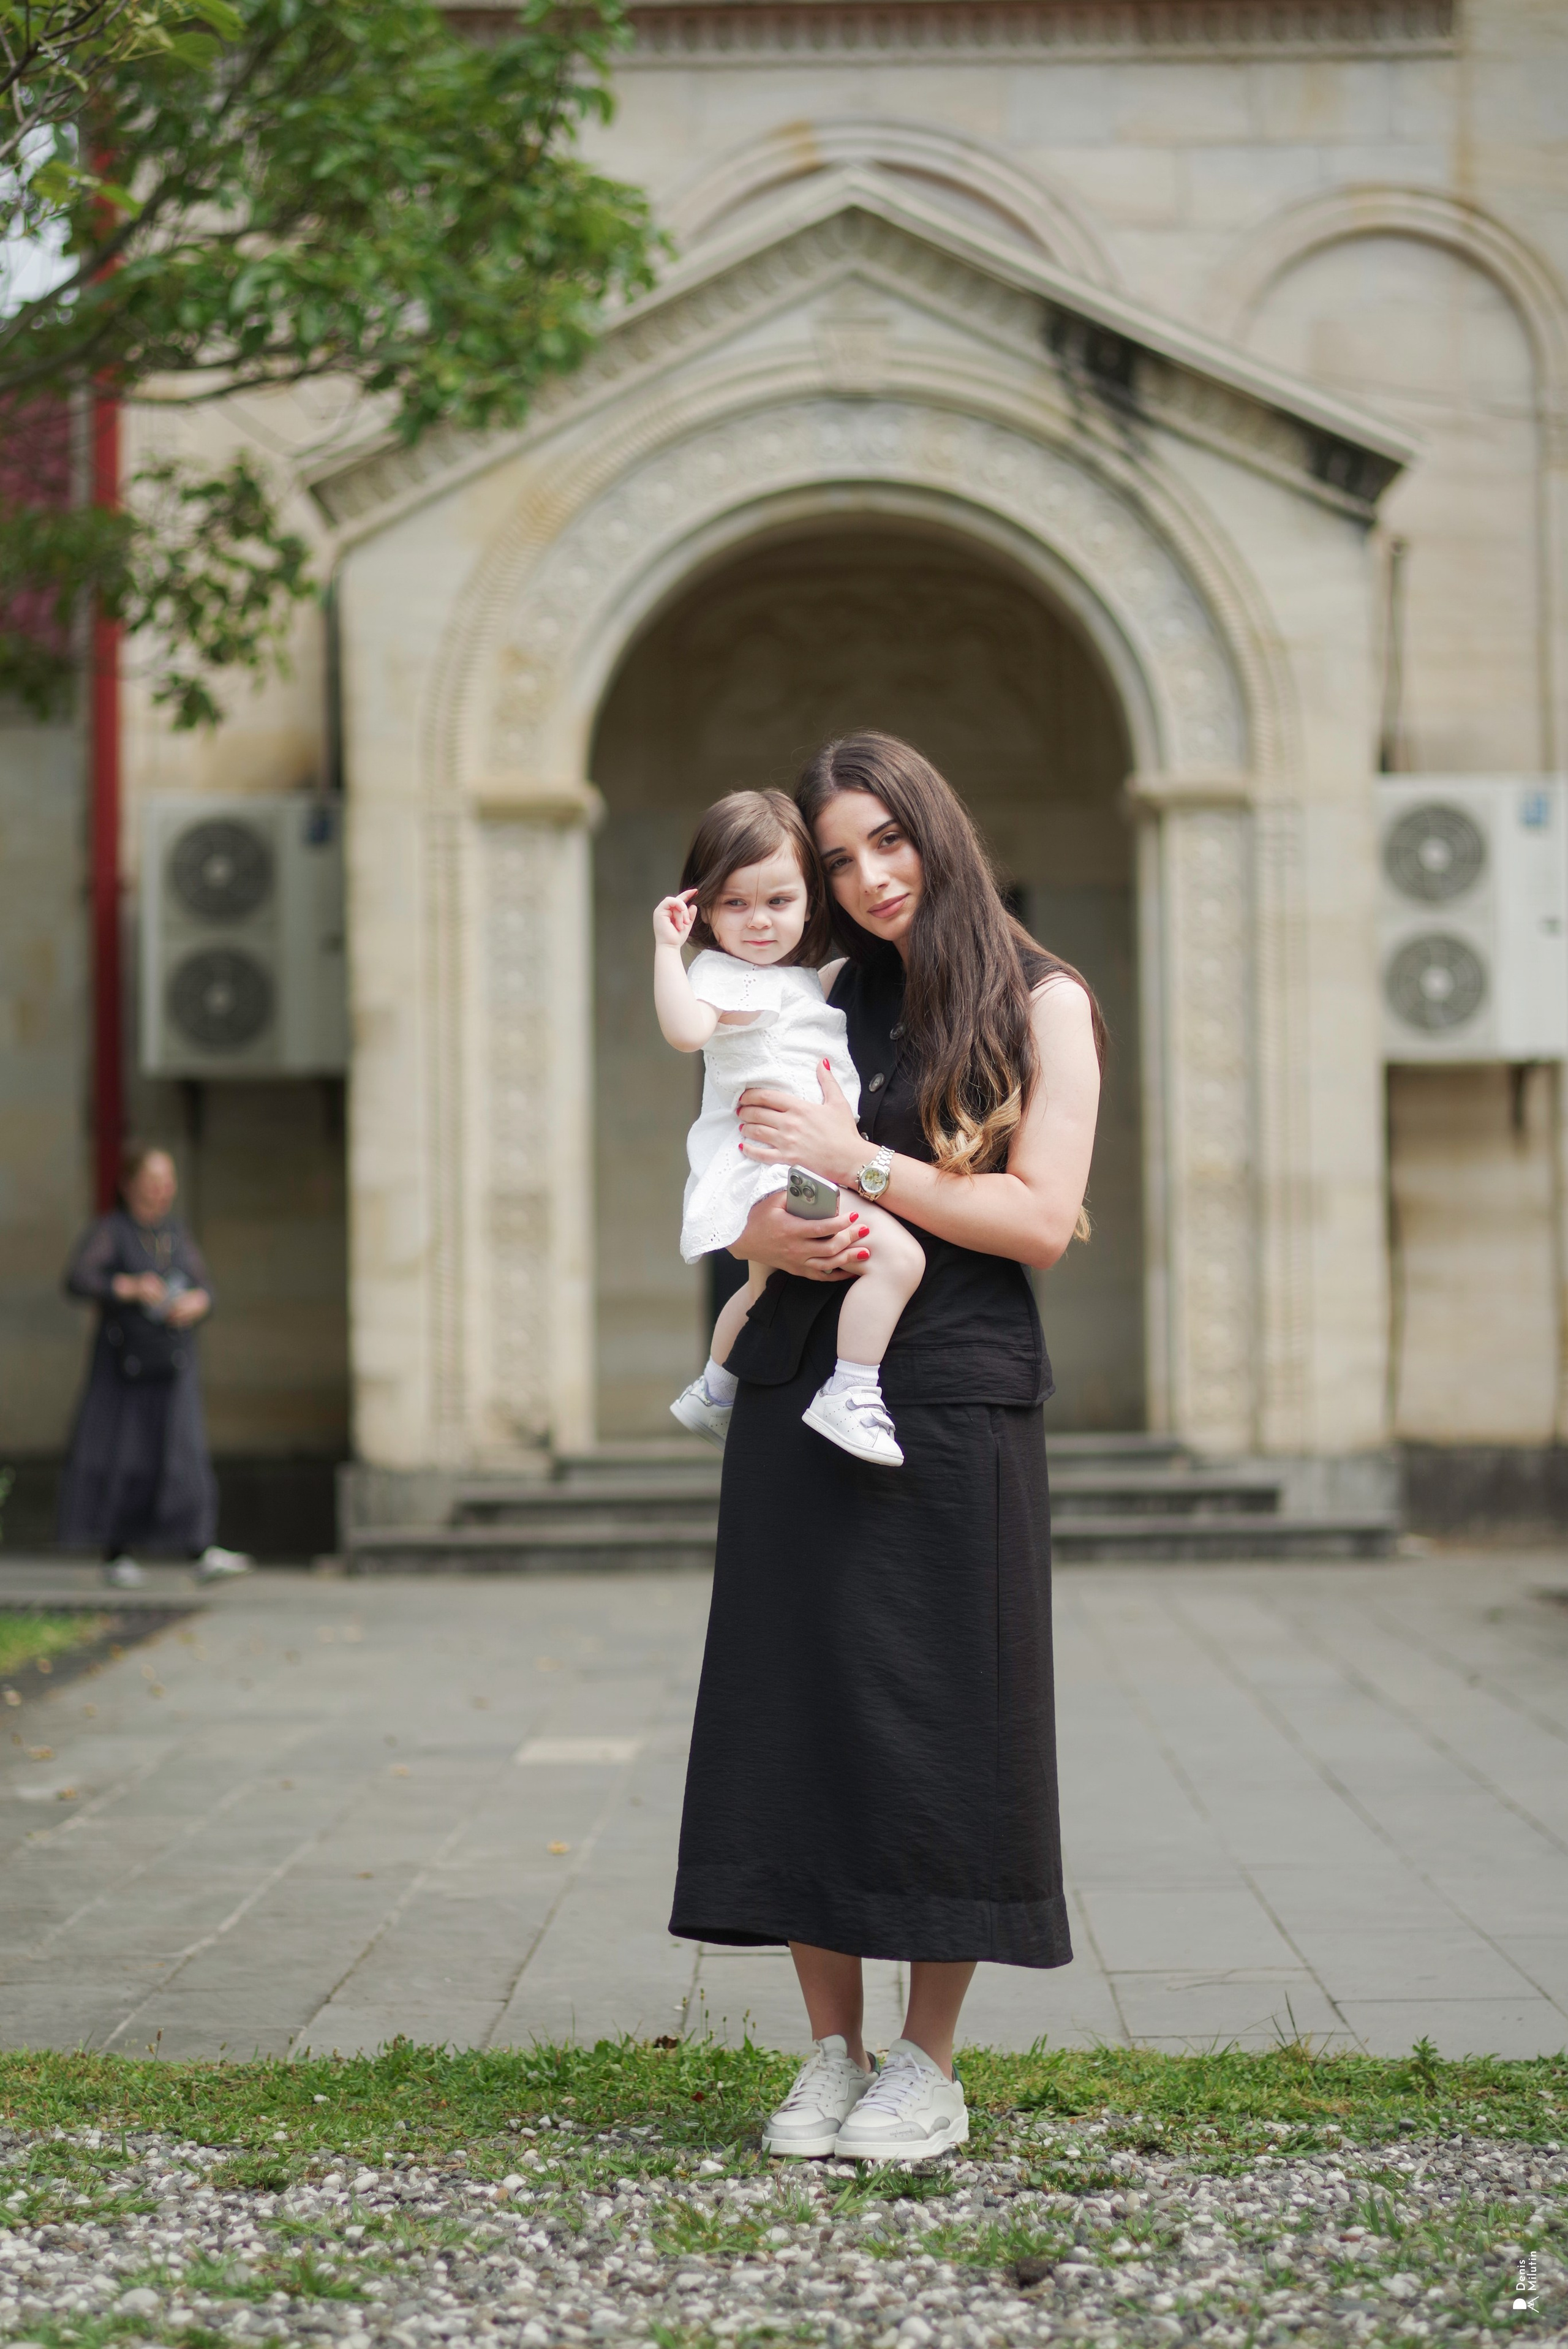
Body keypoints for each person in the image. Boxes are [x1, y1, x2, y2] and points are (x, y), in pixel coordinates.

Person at [669, 732, 1102, 2165]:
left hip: (951, 1394)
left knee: (939, 1713)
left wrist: (859, 1165)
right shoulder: (813, 989)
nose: (863, 877)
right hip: (803, 1367)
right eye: (836, 855)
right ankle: (827, 2054)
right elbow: (740, 1162)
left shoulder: (1044, 1002)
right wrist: (757, 1230)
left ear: (937, 824)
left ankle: (926, 2061)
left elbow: (1037, 1220)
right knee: (793, 1707)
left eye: (883, 841)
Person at [657, 788, 926, 1469]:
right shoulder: (727, 978)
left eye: (778, 901)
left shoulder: (794, 980)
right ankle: (853, 1388)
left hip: (782, 1168)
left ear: (809, 901)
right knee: (899, 1258)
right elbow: (687, 1031)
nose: (757, 922)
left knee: (759, 1286)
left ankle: (714, 1388)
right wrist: (667, 950)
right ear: (705, 909)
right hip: (781, 1175)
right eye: (735, 904)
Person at [57, 1144, 252, 1589]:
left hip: (173, 1362)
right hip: (124, 1366)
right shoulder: (113, 1231)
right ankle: (118, 1551)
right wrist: (130, 1287)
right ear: (130, 1185)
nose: (161, 1191)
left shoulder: (175, 1234)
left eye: (167, 1182)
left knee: (185, 1452)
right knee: (123, 1454)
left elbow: (206, 1287)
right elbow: (78, 1279)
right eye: (152, 1182)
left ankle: (200, 1546)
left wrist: (197, 1302)